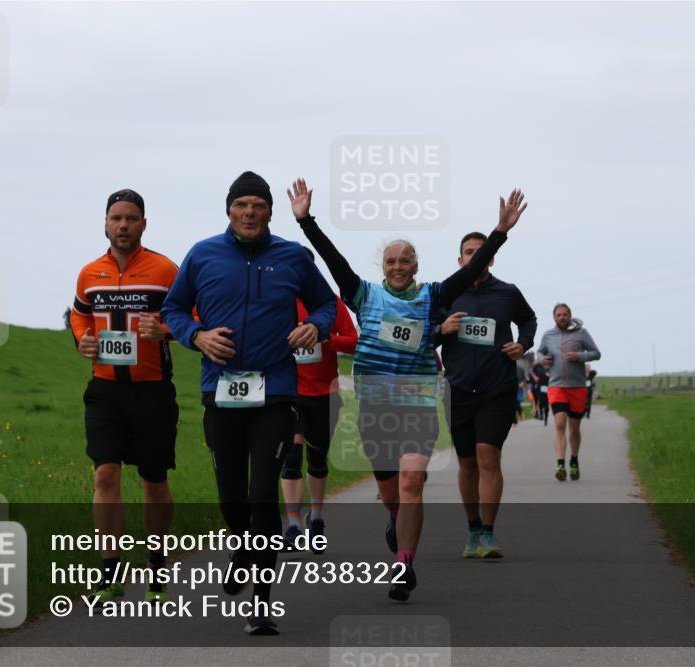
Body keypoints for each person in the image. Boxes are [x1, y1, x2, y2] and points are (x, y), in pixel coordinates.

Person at [287, 178, 527, 601]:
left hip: (416, 404)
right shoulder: (363, 296)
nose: (398, 266)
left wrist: (500, 232)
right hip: (375, 407)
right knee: (390, 492)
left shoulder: (434, 297)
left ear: (415, 266)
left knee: (412, 481)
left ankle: (404, 563)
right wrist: (307, 221)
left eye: (405, 260)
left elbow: (471, 270)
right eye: (391, 261)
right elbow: (332, 259)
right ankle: (396, 519)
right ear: (384, 267)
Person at [161, 171, 337, 636]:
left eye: (258, 204)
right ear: (229, 211)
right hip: (220, 391)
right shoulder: (202, 255)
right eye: (242, 205)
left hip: (275, 393)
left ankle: (261, 604)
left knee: (263, 495)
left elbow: (327, 305)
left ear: (269, 212)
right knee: (230, 497)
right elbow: (173, 310)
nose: (250, 212)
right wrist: (196, 336)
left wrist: (314, 327)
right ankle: (241, 546)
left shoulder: (292, 256)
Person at [70, 188, 180, 606]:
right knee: (105, 475)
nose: (123, 225)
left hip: (152, 391)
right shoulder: (89, 273)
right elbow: (80, 313)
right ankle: (111, 570)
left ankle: (157, 565)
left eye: (131, 218)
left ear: (143, 224)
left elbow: (193, 316)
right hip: (105, 390)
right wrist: (83, 338)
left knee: (153, 480)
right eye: (116, 218)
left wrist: (165, 330)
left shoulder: (165, 270)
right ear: (104, 223)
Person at [436, 232, 537, 559]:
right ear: (459, 260)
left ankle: (489, 535)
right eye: (468, 252)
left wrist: (523, 343)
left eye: (480, 252)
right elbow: (425, 335)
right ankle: (473, 528)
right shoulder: (446, 293)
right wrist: (441, 329)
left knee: (487, 455)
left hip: (497, 387)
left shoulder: (507, 292)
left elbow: (529, 318)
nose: (475, 257)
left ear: (491, 257)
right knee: (467, 463)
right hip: (458, 388)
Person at [281, 251, 358, 552]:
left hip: (326, 393)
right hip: (289, 392)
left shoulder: (330, 304)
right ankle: (292, 526)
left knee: (317, 459)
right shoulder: (280, 302)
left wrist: (326, 338)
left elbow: (353, 341)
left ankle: (317, 518)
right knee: (291, 455)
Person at [536, 304, 601, 481]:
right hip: (556, 386)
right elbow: (539, 353)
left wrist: (579, 356)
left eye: (565, 314)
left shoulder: (581, 333)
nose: (562, 317)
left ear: (570, 316)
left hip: (577, 387)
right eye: (558, 315)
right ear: (554, 318)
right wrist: (544, 359)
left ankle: (574, 460)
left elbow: (596, 353)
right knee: (559, 424)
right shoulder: (548, 335)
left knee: (574, 428)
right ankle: (559, 463)